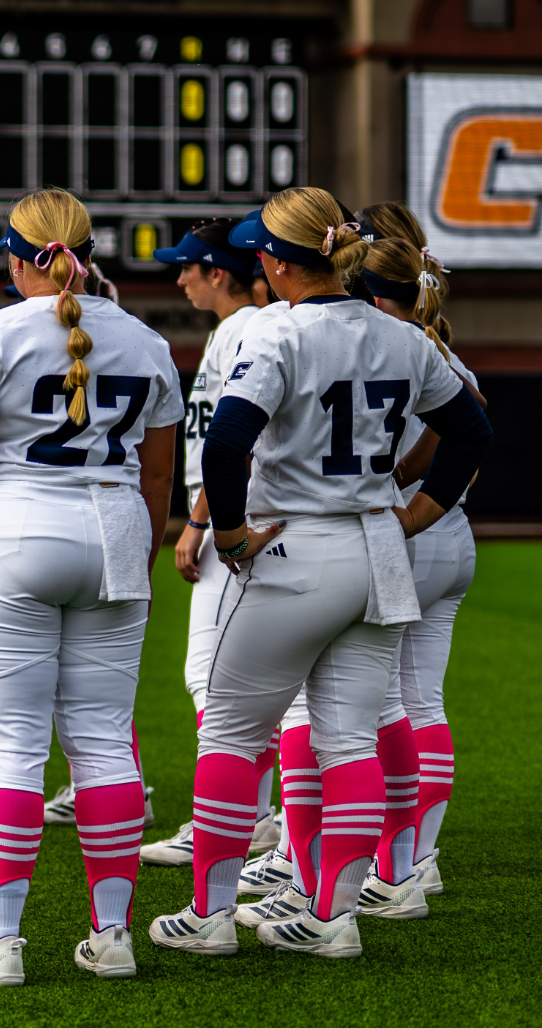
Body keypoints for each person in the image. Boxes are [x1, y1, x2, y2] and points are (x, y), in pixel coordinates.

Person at [149, 187, 490, 960]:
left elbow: (228, 439)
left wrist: (227, 530)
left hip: (295, 546)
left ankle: (210, 913)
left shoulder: (278, 333)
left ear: (273, 260)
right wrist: (419, 513)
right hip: (375, 547)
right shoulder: (404, 335)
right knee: (350, 742)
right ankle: (332, 915)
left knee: (233, 732)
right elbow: (472, 427)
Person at [0, 189, 182, 986]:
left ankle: (1, 941)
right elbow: (159, 475)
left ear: (15, 258)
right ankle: (113, 933)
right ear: (89, 252)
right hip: (114, 529)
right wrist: (138, 560)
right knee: (101, 740)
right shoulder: (148, 339)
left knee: (12, 748)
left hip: (16, 533)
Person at [346, 227, 484, 919]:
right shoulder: (441, 350)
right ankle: (415, 860)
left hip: (403, 534)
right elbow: (474, 421)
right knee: (420, 701)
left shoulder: (382, 346)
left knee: (377, 707)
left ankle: (390, 864)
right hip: (450, 535)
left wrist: (406, 490)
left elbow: (463, 427)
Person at [139, 219, 276, 869]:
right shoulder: (237, 328)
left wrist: (196, 522)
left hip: (232, 522)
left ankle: (239, 819)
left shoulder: (245, 327)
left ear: (217, 271)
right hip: (237, 518)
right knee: (230, 681)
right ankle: (252, 816)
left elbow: (235, 444)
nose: (180, 277)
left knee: (215, 679)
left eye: (188, 267)